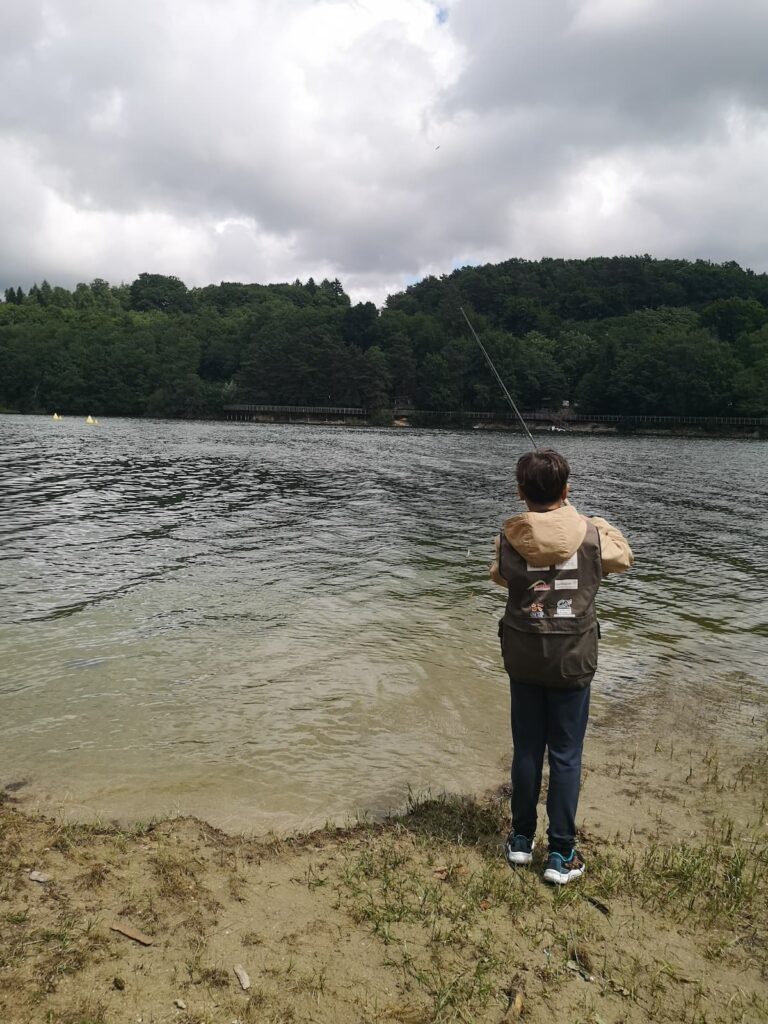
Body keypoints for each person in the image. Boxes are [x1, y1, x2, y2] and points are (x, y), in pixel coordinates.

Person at [489, 449, 633, 884]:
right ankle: (561, 853)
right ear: (566, 490)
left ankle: (519, 840)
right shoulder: (591, 534)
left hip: (524, 654)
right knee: (566, 755)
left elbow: (500, 576)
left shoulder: (508, 536)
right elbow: (622, 559)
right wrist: (590, 522)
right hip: (573, 657)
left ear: (520, 492)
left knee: (527, 748)